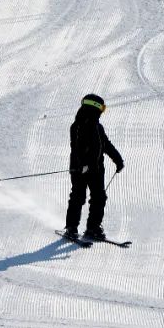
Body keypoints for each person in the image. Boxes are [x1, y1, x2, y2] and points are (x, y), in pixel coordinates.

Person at [64, 94, 124, 242]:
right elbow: (76, 147)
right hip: (80, 169)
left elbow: (106, 145)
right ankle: (71, 228)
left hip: (96, 170)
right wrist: (82, 164)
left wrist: (118, 159)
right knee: (78, 196)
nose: (102, 112)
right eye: (102, 108)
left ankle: (93, 228)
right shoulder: (77, 126)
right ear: (95, 108)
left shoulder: (98, 127)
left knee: (99, 197)